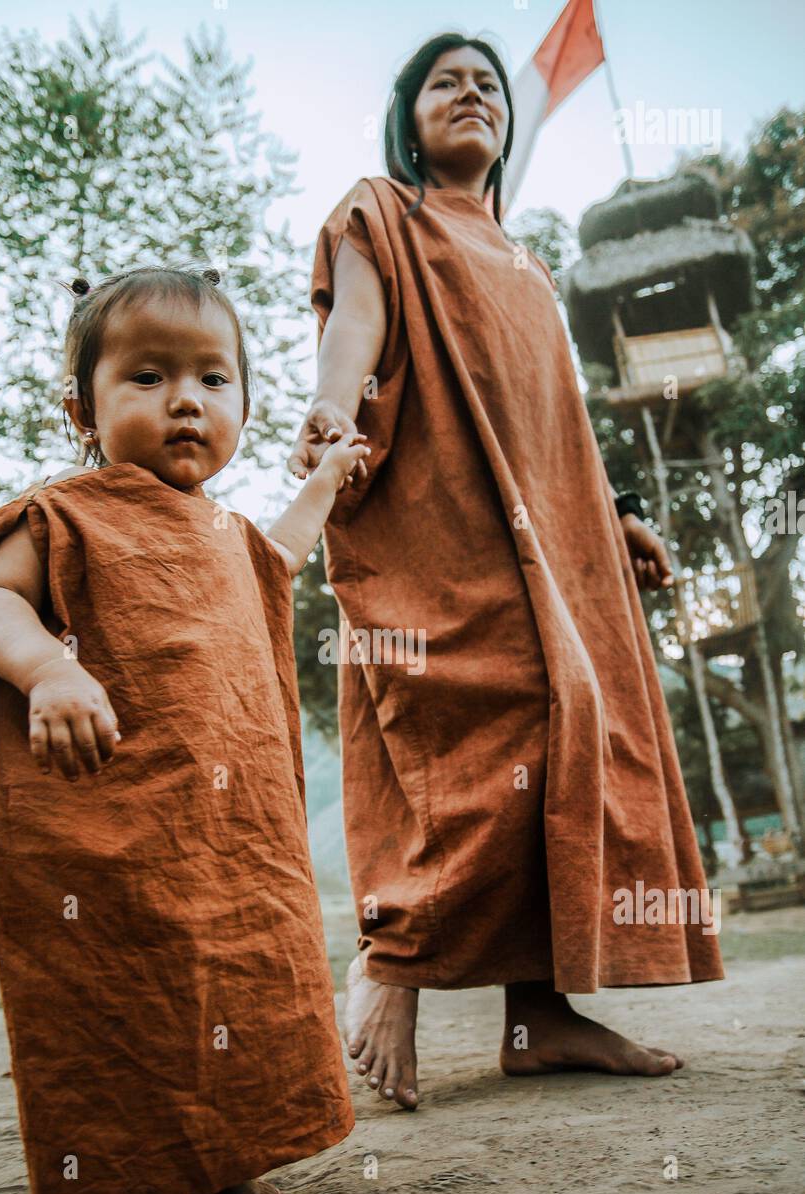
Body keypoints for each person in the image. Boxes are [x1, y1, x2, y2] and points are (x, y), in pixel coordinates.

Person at [288, 32, 724, 1113]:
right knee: (472, 724)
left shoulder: (526, 262)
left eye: (487, 84)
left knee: (571, 727)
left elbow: (556, 415)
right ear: (409, 113)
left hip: (552, 538)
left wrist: (612, 511)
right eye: (445, 82)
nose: (471, 94)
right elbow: (356, 321)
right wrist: (333, 409)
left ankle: (538, 1015)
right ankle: (394, 962)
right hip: (437, 522)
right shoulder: (379, 212)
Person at [0, 266, 370, 1194]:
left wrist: (327, 480)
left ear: (242, 407)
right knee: (119, 1010)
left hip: (222, 839)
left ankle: (219, 1157)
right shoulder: (62, 515)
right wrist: (48, 665)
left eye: (213, 378)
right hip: (108, 842)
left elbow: (275, 560)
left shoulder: (223, 534)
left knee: (233, 986)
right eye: (146, 374)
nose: (186, 398)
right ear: (80, 408)